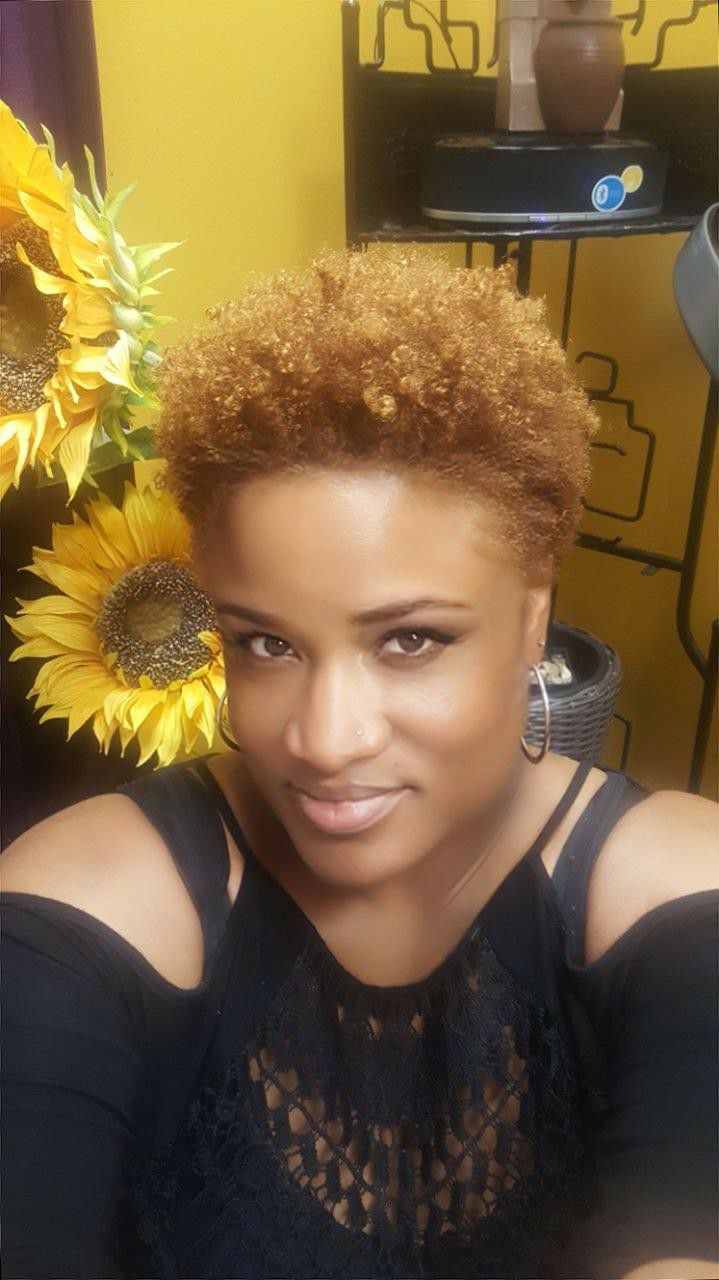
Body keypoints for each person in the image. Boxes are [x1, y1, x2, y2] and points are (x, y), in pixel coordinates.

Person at [2, 249, 716, 1280]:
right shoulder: (98, 899)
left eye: (409, 640)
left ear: (533, 618)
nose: (323, 741)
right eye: (265, 643)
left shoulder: (671, 895)